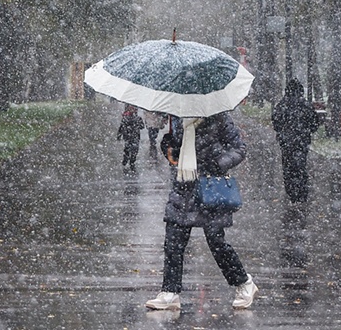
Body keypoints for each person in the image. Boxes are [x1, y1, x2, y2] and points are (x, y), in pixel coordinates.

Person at [146, 113, 258, 312]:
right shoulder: (178, 116)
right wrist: (168, 145)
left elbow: (240, 149)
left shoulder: (219, 117)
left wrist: (219, 163)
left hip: (210, 187)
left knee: (217, 242)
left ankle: (244, 283)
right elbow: (176, 147)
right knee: (173, 240)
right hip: (183, 185)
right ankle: (170, 292)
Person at [271, 79, 323, 203]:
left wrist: (283, 132)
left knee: (288, 167)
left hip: (286, 142)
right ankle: (301, 192)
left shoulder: (282, 105)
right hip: (301, 141)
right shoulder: (305, 105)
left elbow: (276, 122)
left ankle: (291, 192)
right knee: (300, 165)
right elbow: (315, 123)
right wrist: (306, 131)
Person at [117, 104, 144, 171]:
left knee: (129, 150)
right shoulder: (137, 118)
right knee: (132, 150)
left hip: (129, 137)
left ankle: (127, 161)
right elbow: (142, 127)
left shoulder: (126, 118)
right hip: (133, 137)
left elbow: (121, 127)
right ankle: (130, 162)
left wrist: (119, 135)